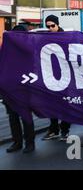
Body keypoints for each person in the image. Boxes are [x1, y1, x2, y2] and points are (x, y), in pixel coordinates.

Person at [3, 25, 36, 154]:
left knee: (25, 116)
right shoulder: (7, 49)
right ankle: (17, 142)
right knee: (13, 117)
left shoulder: (28, 49)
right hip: (10, 89)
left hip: (24, 88)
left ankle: (29, 143)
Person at [41, 15, 71, 142]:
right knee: (51, 104)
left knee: (65, 105)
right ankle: (53, 129)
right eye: (48, 26)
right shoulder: (46, 37)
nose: (50, 28)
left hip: (66, 77)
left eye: (52, 25)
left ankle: (64, 130)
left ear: (57, 24)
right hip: (51, 76)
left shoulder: (66, 37)